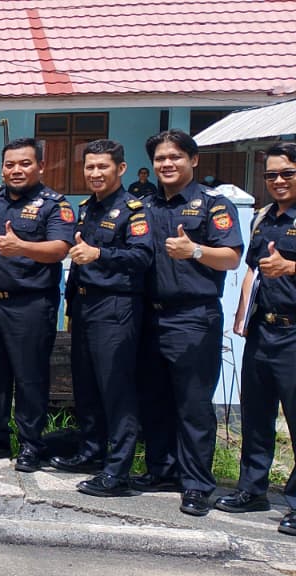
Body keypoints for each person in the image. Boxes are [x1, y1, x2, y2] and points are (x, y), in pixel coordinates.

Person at [134, 129, 243, 516]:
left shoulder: (213, 205)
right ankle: (161, 470)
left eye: (175, 157)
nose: (167, 164)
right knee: (155, 398)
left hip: (193, 317)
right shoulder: (144, 206)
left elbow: (231, 257)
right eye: (161, 158)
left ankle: (196, 484)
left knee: (193, 405)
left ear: (193, 161)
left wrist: (194, 249)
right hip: (150, 316)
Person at [0, 138, 73, 472]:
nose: (17, 170)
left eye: (24, 163)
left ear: (40, 166)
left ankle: (30, 444)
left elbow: (60, 248)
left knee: (29, 378)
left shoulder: (54, 204)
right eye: (10, 164)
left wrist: (21, 246)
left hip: (31, 304)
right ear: (2, 168)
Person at [55, 139, 155, 497]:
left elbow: (143, 257)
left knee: (116, 390)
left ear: (121, 169)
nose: (95, 173)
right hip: (84, 307)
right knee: (87, 387)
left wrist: (100, 254)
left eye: (103, 167)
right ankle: (91, 452)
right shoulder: (87, 208)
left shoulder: (134, 210)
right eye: (90, 167)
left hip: (116, 308)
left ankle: (118, 470)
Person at [216, 142, 296, 536]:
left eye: (286, 173)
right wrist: (242, 312)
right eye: (271, 175)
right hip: (264, 330)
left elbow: (280, 268)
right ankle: (253, 489)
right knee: (257, 415)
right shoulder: (264, 216)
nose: (278, 181)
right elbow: (252, 269)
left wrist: (291, 266)